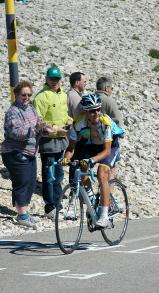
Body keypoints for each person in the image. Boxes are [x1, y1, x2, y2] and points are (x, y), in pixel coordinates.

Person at [61, 93, 125, 228]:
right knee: (81, 170)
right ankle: (93, 201)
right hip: (92, 145)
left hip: (109, 147)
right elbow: (71, 147)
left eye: (98, 109)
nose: (96, 113)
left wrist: (91, 160)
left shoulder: (105, 122)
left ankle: (104, 215)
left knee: (102, 173)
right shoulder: (78, 123)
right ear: (85, 112)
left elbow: (107, 151)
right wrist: (66, 159)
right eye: (91, 110)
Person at [1, 80, 54, 228]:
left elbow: (38, 123)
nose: (27, 97)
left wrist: (45, 128)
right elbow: (15, 133)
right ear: (16, 95)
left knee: (30, 182)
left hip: (30, 152)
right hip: (15, 152)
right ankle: (21, 215)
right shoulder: (13, 112)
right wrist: (35, 130)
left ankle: (24, 212)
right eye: (23, 94)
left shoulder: (31, 108)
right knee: (22, 182)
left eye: (29, 95)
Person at [33, 65, 73, 221]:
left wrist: (69, 122)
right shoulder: (41, 97)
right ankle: (50, 207)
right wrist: (57, 129)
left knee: (59, 174)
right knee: (49, 176)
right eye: (52, 78)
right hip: (48, 142)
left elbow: (66, 114)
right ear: (46, 78)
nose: (54, 81)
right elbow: (38, 122)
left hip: (61, 141)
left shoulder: (63, 94)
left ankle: (58, 205)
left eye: (57, 79)